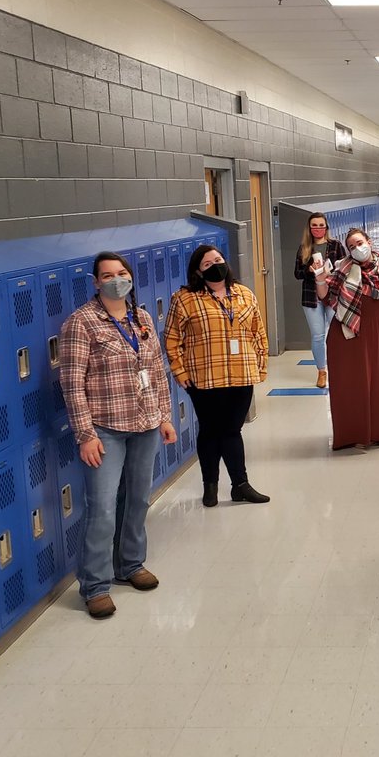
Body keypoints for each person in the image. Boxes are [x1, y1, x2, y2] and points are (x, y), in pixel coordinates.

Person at [59, 251, 176, 619]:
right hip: (105, 429)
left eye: (121, 273)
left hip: (145, 424)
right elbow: (72, 383)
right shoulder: (81, 323)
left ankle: (130, 564)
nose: (116, 279)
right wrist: (85, 434)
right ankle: (94, 585)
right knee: (104, 508)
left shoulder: (140, 318)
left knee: (138, 499)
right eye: (107, 275)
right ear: (96, 282)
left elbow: (157, 370)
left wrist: (166, 416)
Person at [164, 246, 270, 508]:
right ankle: (210, 485)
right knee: (211, 431)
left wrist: (261, 365)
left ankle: (240, 485)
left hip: (241, 374)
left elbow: (259, 332)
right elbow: (172, 338)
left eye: (219, 260)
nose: (215, 265)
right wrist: (179, 370)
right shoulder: (184, 298)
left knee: (233, 430)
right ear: (198, 271)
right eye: (207, 263)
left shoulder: (244, 294)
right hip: (204, 376)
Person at [315, 227, 379, 450]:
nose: (357, 248)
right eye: (352, 246)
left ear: (369, 241)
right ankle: (353, 433)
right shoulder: (341, 271)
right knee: (351, 384)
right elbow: (325, 298)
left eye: (359, 243)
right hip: (348, 334)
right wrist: (319, 278)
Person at [293, 212, 346, 389]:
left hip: (332, 295)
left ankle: (338, 367)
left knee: (335, 334)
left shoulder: (336, 245)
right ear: (309, 228)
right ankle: (322, 371)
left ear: (326, 227)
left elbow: (345, 268)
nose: (317, 229)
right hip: (311, 298)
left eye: (321, 225)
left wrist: (330, 271)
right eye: (314, 225)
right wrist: (309, 270)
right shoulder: (304, 248)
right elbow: (297, 274)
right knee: (318, 336)